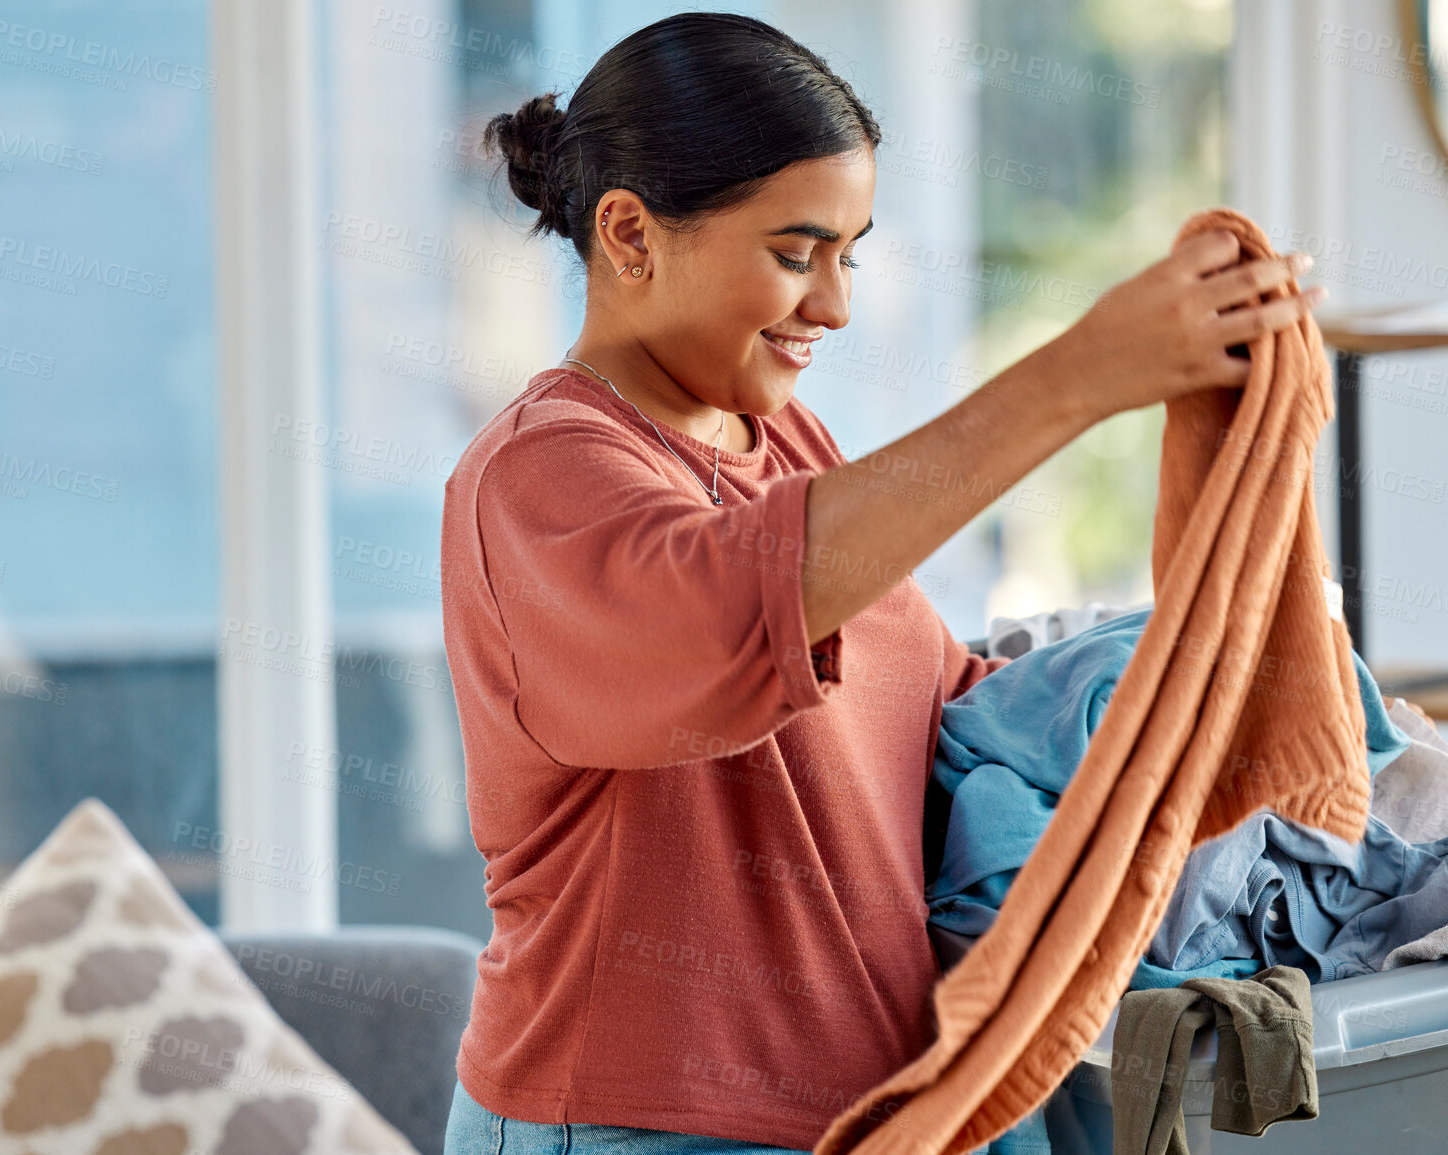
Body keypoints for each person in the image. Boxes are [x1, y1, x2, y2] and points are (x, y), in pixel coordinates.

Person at [438, 11, 1324, 1155]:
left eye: (849, 254)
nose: (835, 305)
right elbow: (729, 611)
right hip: (634, 1122)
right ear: (629, 233)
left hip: (861, 1112)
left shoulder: (784, 439)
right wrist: (1081, 377)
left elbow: (934, 714)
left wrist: (1182, 679)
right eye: (795, 253)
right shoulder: (542, 473)